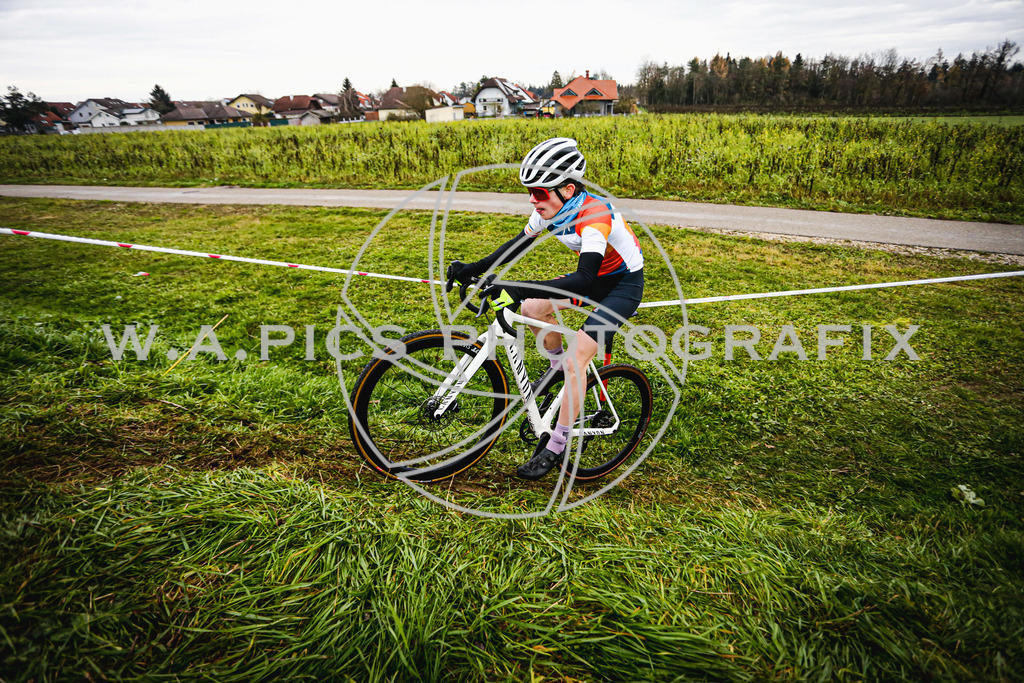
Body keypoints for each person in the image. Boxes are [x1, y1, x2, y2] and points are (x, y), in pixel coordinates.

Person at [446, 137, 644, 481]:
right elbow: (519, 243)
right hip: (596, 277)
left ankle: (556, 445)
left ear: (568, 189)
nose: (533, 200)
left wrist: (517, 287)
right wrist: (473, 267)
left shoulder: (595, 216)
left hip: (622, 286)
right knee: (535, 308)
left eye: (539, 193)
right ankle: (557, 373)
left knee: (577, 357)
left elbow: (583, 279)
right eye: (530, 192)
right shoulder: (551, 207)